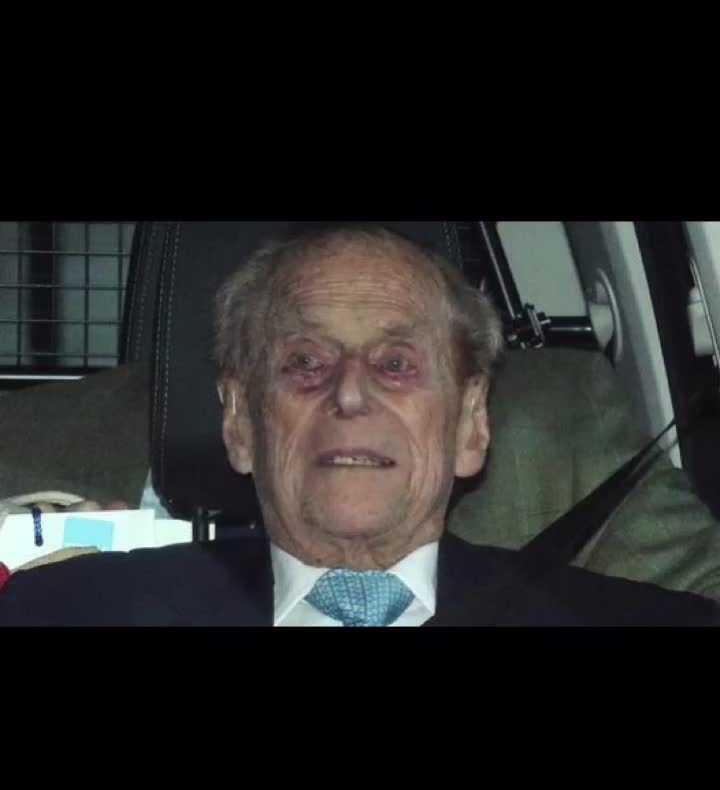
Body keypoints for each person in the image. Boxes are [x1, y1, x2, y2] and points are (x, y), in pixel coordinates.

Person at [1, 224, 717, 627]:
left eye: (396, 364)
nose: (348, 394)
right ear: (240, 422)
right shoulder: (63, 611)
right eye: (306, 362)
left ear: (471, 424)